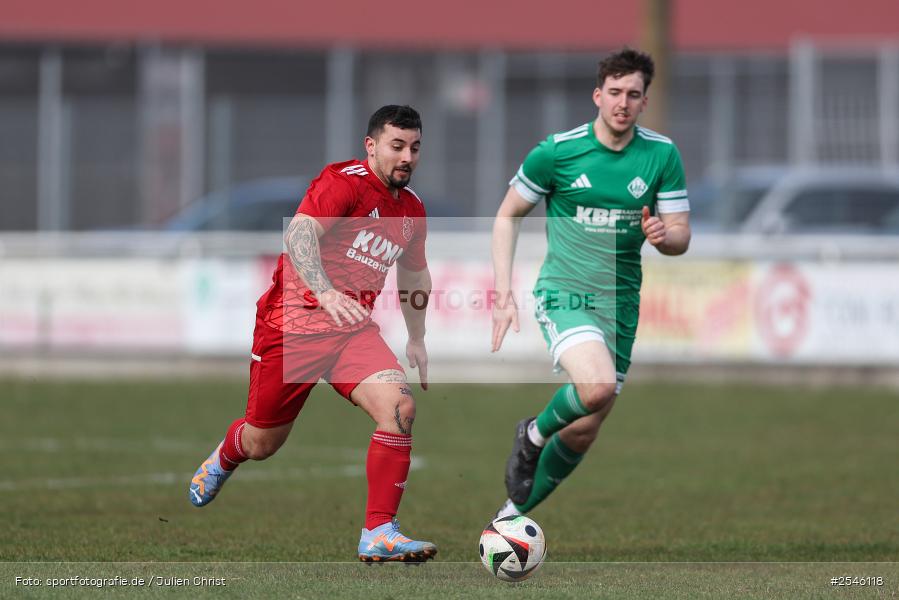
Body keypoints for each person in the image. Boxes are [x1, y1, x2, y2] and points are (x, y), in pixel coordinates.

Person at [188, 105, 437, 563]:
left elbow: (415, 274)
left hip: (350, 332)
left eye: (415, 147)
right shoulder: (342, 182)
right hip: (293, 326)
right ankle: (226, 456)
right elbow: (299, 235)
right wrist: (323, 292)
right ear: (372, 146)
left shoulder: (412, 210)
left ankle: (378, 531)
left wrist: (417, 337)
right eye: (397, 146)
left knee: (399, 406)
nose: (407, 157)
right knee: (263, 443)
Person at [491, 49, 691, 518]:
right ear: (598, 95)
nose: (623, 102)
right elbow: (507, 215)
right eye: (615, 92)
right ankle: (533, 435)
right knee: (596, 387)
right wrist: (502, 293)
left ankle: (507, 523)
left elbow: (681, 234)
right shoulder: (558, 152)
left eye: (634, 95)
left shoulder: (661, 154)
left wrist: (665, 238)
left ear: (645, 102)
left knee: (584, 427)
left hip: (620, 303)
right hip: (566, 291)